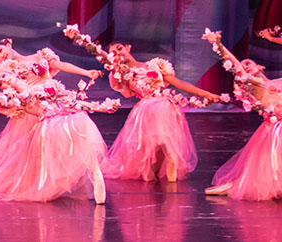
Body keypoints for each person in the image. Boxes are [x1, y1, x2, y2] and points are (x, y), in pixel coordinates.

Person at [0, 73, 115, 203]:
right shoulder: (14, 98)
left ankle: (96, 173)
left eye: (4, 77)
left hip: (71, 117)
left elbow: (70, 101)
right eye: (0, 84)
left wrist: (99, 108)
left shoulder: (47, 84)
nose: (4, 82)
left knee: (84, 138)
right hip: (49, 125)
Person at [99, 43, 219, 182]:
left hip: (163, 103)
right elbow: (122, 89)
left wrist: (205, 93)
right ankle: (154, 166)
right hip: (146, 106)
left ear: (128, 47)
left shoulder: (154, 65)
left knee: (163, 107)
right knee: (154, 113)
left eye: (120, 49)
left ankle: (170, 156)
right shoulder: (121, 73)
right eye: (114, 53)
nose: (119, 53)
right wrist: (113, 67)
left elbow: (178, 83)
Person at [203, 30, 282, 200]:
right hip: (275, 131)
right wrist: (218, 44)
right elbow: (234, 63)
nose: (245, 65)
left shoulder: (272, 83)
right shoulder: (254, 85)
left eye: (249, 63)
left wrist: (272, 39)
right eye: (244, 64)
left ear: (259, 67)